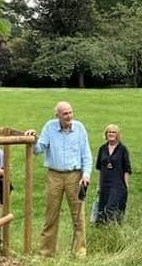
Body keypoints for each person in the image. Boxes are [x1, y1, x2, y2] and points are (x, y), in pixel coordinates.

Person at [25, 101, 92, 257]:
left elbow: (86, 154)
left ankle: (79, 252)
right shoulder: (50, 127)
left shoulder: (80, 128)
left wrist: (86, 174)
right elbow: (38, 150)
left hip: (75, 176)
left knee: (78, 215)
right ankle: (46, 253)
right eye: (65, 114)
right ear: (57, 116)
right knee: (51, 214)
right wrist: (33, 139)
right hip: (54, 175)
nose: (69, 116)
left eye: (70, 112)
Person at [95, 124, 131, 224]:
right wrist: (98, 185)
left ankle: (113, 229)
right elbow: (99, 168)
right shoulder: (102, 148)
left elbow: (127, 169)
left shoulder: (122, 149)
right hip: (105, 183)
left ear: (117, 134)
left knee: (111, 207)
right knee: (102, 209)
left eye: (114, 132)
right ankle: (103, 231)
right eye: (109, 132)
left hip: (118, 183)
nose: (111, 134)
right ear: (106, 134)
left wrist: (126, 185)